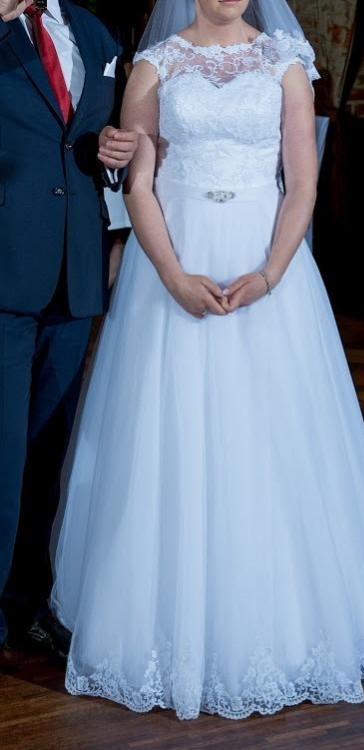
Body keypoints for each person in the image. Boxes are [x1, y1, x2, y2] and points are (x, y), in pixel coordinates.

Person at [51, 0, 364, 720]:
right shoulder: (155, 66)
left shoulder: (286, 63)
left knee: (271, 439)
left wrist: (272, 273)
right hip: (175, 268)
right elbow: (139, 185)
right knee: (169, 439)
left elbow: (302, 182)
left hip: (263, 266)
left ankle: (289, 622)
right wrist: (172, 276)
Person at [0, 0, 138, 655]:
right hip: (5, 272)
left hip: (74, 275)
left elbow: (86, 141)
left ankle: (26, 605)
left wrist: (112, 154)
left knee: (44, 456)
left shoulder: (92, 30)